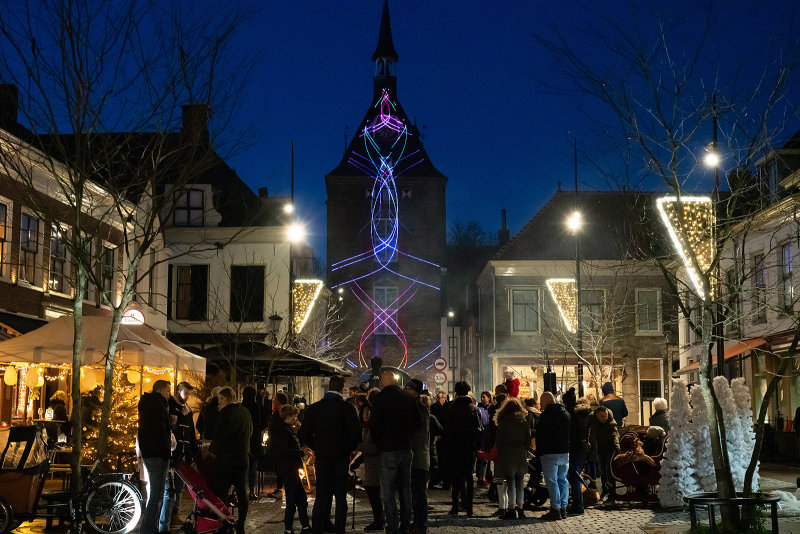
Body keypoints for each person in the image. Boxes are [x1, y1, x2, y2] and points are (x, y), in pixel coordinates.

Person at [299, 376, 360, 534]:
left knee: (321, 495)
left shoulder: (315, 408)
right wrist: (345, 448)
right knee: (340, 495)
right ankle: (340, 529)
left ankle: (319, 527)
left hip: (322, 457)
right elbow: (355, 435)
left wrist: (316, 446)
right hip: (340, 457)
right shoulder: (347, 408)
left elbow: (304, 434)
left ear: (328, 387)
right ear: (341, 388)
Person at [369, 371, 420, 533]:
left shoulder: (380, 400)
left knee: (387, 491)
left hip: (388, 449)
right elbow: (418, 422)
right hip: (405, 448)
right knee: (405, 488)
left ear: (383, 383)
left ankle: (392, 525)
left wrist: (380, 443)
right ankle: (405, 524)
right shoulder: (407, 398)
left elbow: (374, 426)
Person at [210, 387, 253, 534]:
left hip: (226, 459)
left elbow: (219, 437)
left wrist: (212, 450)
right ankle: (241, 524)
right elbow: (251, 431)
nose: (219, 402)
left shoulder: (225, 413)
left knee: (222, 491)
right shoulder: (245, 412)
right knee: (242, 492)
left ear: (228, 399)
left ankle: (224, 523)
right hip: (243, 457)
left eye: (221, 399)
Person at [160, 381, 198, 532]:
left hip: (184, 452)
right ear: (178, 391)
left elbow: (191, 432)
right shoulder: (170, 405)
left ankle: (175, 512)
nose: (188, 396)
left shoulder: (188, 409)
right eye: (185, 392)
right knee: (171, 487)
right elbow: (170, 426)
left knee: (180, 485)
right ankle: (167, 516)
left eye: (189, 393)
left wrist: (192, 451)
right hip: (172, 451)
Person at [137, 380, 172, 534]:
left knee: (156, 494)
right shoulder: (158, 405)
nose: (169, 394)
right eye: (167, 391)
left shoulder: (149, 403)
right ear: (160, 390)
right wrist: (166, 452)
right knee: (156, 495)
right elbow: (160, 431)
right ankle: (148, 529)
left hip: (151, 452)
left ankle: (150, 528)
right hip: (158, 453)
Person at [443, 381, 482, 516]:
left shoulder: (452, 408)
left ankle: (455, 506)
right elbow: (479, 430)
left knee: (456, 478)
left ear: (456, 392)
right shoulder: (474, 408)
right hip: (469, 447)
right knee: (469, 477)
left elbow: (447, 430)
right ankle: (469, 508)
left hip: (454, 447)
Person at [273, 404, 312, 534]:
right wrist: (301, 453)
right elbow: (283, 450)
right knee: (293, 500)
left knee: (300, 499)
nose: (296, 417)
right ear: (288, 416)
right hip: (289, 469)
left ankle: (304, 527)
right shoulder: (283, 431)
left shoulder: (287, 429)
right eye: (294, 415)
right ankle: (289, 529)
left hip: (292, 469)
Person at [494, 397, 532, 520]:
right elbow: (528, 441)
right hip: (520, 454)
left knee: (510, 482)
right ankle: (520, 508)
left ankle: (511, 509)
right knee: (520, 483)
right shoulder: (524, 423)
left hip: (507, 455)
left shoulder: (503, 423)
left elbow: (498, 442)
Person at [536, 391, 570, 521]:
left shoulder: (546, 416)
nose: (540, 404)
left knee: (552, 481)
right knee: (563, 480)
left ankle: (555, 509)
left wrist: (539, 452)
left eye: (541, 401)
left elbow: (541, 436)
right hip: (564, 452)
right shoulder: (566, 414)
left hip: (550, 453)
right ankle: (563, 507)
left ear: (547, 401)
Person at [404, 379, 431, 534]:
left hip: (418, 457)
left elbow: (416, 435)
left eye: (408, 388)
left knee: (418, 493)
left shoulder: (416, 408)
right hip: (418, 456)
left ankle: (420, 524)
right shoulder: (418, 407)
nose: (405, 391)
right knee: (416, 492)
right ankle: (419, 522)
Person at [357, 391, 384, 532]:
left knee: (374, 493)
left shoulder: (376, 426)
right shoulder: (367, 427)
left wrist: (359, 447)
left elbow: (377, 447)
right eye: (364, 413)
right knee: (373, 493)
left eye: (368, 413)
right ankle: (379, 519)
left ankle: (379, 521)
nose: (365, 415)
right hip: (370, 464)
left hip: (377, 464)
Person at [562, 389, 591, 516]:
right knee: (575, 476)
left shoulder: (570, 414)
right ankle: (576, 504)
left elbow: (571, 433)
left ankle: (578, 506)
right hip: (581, 448)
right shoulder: (583, 413)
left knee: (574, 477)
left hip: (574, 448)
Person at [588, 405, 620, 502]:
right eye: (602, 416)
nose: (604, 418)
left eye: (605, 416)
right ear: (597, 415)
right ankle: (605, 490)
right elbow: (592, 434)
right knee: (602, 470)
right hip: (600, 448)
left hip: (610, 447)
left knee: (609, 470)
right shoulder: (592, 419)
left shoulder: (610, 418)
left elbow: (614, 432)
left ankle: (611, 492)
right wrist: (592, 447)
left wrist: (616, 446)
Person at [265, 391, 290, 499]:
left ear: (278, 403)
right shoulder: (279, 414)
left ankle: (280, 489)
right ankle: (279, 488)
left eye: (274, 401)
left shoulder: (279, 415)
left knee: (280, 468)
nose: (272, 403)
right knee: (278, 468)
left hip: (278, 446)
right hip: (276, 445)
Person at [241, 386, 263, 500]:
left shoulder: (241, 407)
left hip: (243, 440)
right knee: (253, 465)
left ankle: (243, 491)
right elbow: (260, 422)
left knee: (244, 465)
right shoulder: (256, 406)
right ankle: (252, 491)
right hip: (254, 440)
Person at [429, 390, 451, 490]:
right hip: (438, 437)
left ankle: (446, 481)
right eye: (437, 397)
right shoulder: (434, 407)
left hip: (446, 436)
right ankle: (438, 478)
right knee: (439, 460)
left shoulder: (449, 407)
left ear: (445, 398)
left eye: (440, 397)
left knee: (446, 460)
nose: (439, 399)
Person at [475, 391, 493, 487]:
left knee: (487, 458)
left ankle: (485, 476)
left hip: (489, 436)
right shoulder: (479, 408)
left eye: (484, 397)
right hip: (482, 436)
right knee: (482, 458)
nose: (482, 399)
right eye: (481, 397)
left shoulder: (491, 408)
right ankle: (480, 477)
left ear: (489, 398)